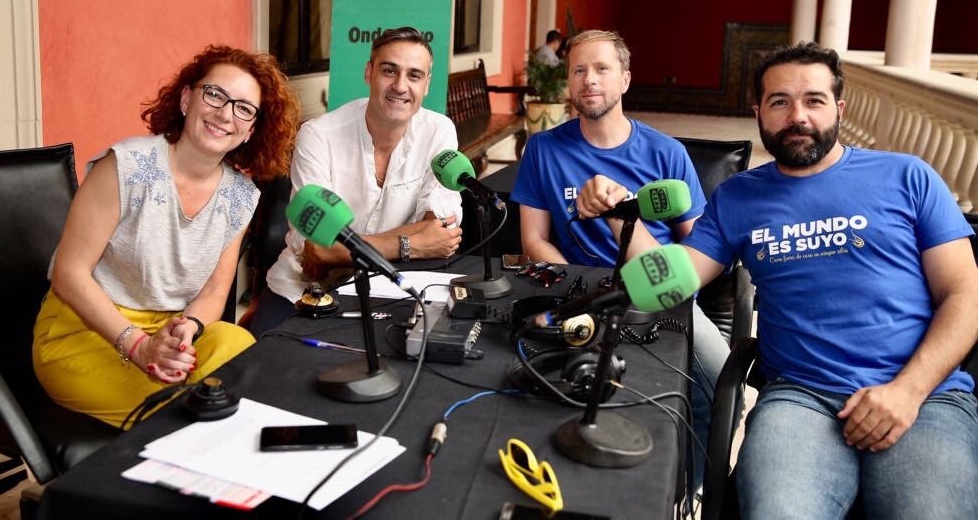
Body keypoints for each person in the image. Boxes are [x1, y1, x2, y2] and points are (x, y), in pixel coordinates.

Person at [579, 42, 978, 518]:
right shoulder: (738, 197)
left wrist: (907, 392)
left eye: (813, 100)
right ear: (758, 113)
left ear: (838, 108)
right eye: (779, 102)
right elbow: (674, 282)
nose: (797, 116)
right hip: (801, 400)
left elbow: (965, 294)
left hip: (923, 395)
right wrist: (620, 217)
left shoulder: (908, 177)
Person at [33, 45, 300, 428]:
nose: (226, 114)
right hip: (84, 331)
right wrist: (140, 347)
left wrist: (185, 331)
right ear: (187, 98)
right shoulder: (124, 167)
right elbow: (69, 274)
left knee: (242, 352)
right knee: (192, 410)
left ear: (251, 130)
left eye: (243, 108)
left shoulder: (242, 197)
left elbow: (212, 294)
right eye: (215, 95)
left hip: (169, 333)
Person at [510, 28, 728, 491]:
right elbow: (534, 241)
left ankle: (692, 488)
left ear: (625, 80)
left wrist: (620, 212)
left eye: (602, 69)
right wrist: (580, 287)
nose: (589, 80)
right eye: (578, 70)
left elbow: (700, 248)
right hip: (582, 290)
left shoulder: (666, 153)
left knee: (717, 381)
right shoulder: (544, 149)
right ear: (568, 82)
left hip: (661, 292)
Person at [249, 26, 464, 336]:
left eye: (414, 75)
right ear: (369, 73)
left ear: (427, 84)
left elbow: (440, 233)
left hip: (388, 289)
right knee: (266, 372)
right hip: (302, 288)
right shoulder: (318, 135)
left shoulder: (439, 131)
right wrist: (413, 244)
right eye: (389, 71)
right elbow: (318, 250)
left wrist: (343, 249)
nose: (400, 86)